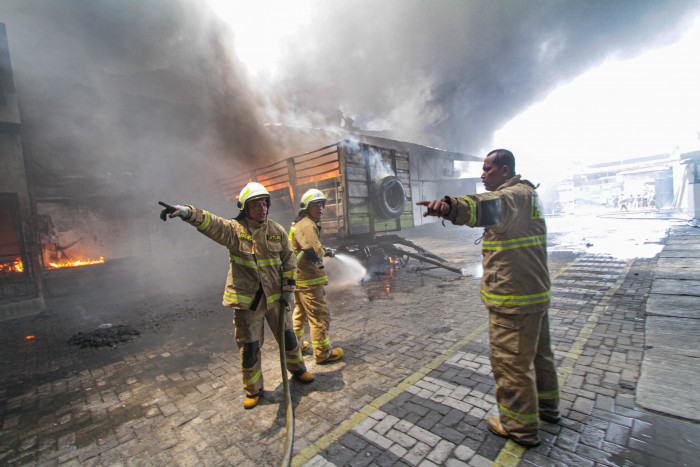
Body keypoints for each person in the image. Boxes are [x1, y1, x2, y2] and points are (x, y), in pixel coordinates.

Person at [417, 149, 559, 448]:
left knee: (510, 363)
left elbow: (486, 206)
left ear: (505, 171)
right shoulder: (528, 194)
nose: (483, 175)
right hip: (535, 293)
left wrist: (449, 207)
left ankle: (519, 426)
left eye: (488, 169)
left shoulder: (512, 196)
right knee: (539, 357)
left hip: (513, 298)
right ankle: (547, 409)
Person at [159, 182, 314, 410]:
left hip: (276, 300)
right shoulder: (234, 230)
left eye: (264, 203)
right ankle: (253, 390)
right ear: (245, 207)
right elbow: (211, 223)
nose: (262, 208)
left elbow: (290, 262)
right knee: (250, 347)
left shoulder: (276, 231)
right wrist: (187, 212)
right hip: (248, 303)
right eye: (256, 204)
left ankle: (298, 369)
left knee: (289, 338)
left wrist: (288, 292)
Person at [288, 188, 343, 364]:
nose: (320, 208)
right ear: (306, 207)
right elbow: (312, 252)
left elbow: (308, 248)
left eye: (321, 205)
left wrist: (323, 250)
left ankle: (295, 345)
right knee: (318, 316)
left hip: (299, 279)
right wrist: (324, 252)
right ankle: (323, 353)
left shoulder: (301, 224)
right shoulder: (306, 225)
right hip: (309, 281)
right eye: (316, 205)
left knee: (300, 313)